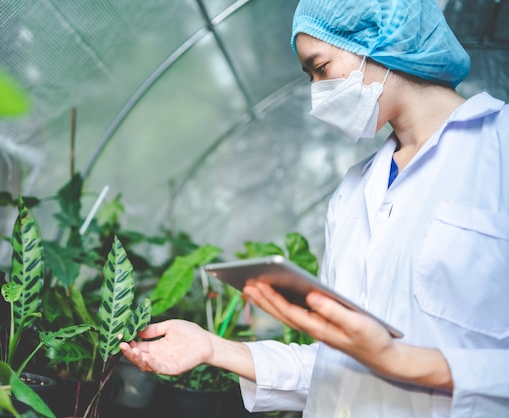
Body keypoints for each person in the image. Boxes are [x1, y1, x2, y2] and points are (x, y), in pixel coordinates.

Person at [120, 0, 509, 416]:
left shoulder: (498, 150)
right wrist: (212, 347)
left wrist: (399, 361)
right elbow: (333, 365)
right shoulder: (354, 189)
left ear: (380, 40)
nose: (317, 94)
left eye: (320, 68)